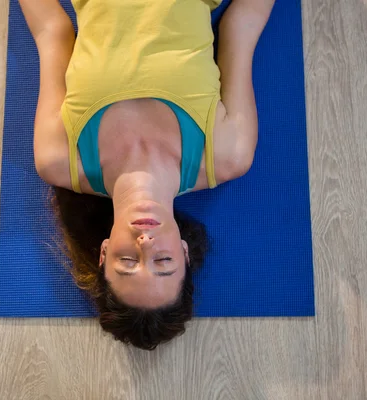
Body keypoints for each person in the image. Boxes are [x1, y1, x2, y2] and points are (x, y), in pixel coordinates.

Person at [19, 0, 274, 350]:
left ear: (104, 253)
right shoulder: (228, 154)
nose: (145, 244)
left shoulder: (59, 157)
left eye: (127, 262)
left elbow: (52, 31)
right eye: (163, 262)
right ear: (184, 253)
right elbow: (242, 24)